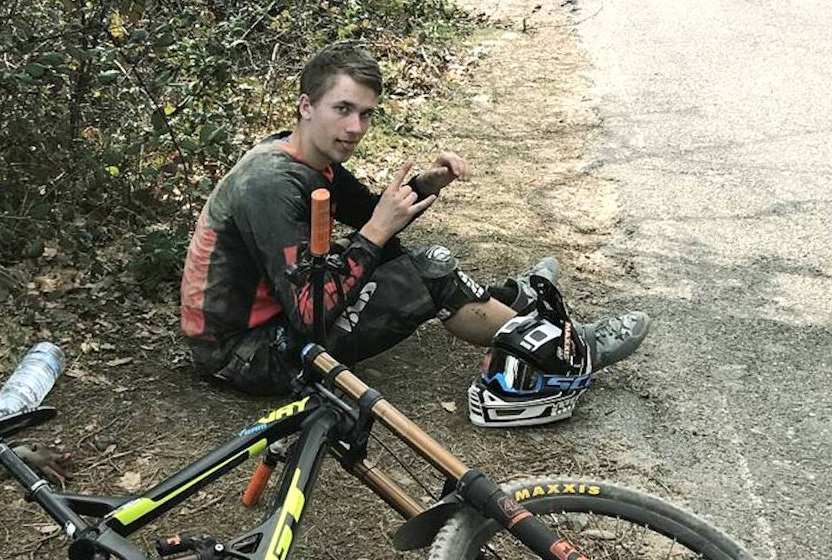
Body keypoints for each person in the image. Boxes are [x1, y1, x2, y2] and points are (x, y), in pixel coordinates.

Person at [179, 42, 650, 427]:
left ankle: (513, 302)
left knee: (388, 251)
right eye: (343, 109)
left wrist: (426, 184)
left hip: (267, 327)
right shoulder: (271, 185)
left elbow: (370, 212)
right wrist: (375, 233)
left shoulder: (305, 157)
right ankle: (567, 350)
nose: (355, 127)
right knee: (426, 269)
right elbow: (310, 313)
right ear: (306, 106)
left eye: (366, 114)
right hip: (245, 355)